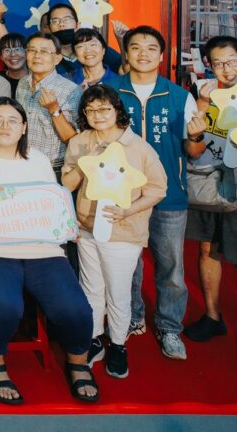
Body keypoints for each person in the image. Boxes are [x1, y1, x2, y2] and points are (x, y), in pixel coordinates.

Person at [0, 99, 98, 405]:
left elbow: (50, 204)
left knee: (75, 309)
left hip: (39, 246)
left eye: (12, 120)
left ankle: (78, 362)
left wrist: (64, 224)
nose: (5, 126)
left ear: (24, 127)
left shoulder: (38, 159)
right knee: (3, 306)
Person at [62, 84, 167, 380]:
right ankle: (94, 338)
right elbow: (67, 184)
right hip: (86, 227)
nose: (97, 115)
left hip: (123, 230)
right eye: (90, 110)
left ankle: (119, 344)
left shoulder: (138, 147)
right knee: (90, 287)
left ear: (117, 110)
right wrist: (86, 163)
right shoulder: (80, 142)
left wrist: (128, 210)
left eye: (104, 109)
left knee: (118, 291)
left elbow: (158, 188)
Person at [183, 35, 237, 364]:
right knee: (207, 250)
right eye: (218, 63)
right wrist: (202, 107)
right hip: (205, 185)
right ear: (209, 66)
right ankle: (212, 315)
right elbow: (192, 148)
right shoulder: (202, 95)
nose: (227, 69)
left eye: (233, 61)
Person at [114, 25, 198, 360]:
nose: (143, 54)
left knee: (171, 267)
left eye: (151, 48)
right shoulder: (111, 92)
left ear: (162, 56)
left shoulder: (180, 96)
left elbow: (193, 151)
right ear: (126, 53)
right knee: (127, 264)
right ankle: (133, 316)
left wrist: (196, 136)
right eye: (136, 47)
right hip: (123, 194)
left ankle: (170, 326)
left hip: (169, 195)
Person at [13, 32, 80, 175]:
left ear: (57, 58)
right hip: (21, 163)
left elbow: (75, 142)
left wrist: (54, 110)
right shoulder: (22, 83)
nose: (37, 56)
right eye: (32, 50)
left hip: (53, 168)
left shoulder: (71, 91)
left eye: (44, 51)